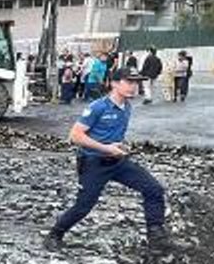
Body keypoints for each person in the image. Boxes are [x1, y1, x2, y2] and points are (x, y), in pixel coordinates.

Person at [43, 66, 169, 250]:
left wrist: (119, 146)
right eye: (129, 82)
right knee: (84, 206)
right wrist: (106, 148)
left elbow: (111, 134)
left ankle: (156, 236)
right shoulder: (97, 107)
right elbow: (75, 136)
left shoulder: (127, 106)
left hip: (118, 162)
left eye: (136, 83)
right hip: (94, 163)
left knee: (154, 189)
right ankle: (55, 234)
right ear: (114, 83)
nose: (134, 87)